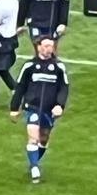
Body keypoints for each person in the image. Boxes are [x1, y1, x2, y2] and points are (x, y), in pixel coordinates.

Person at [9, 36, 69, 184]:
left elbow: (64, 88)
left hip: (50, 110)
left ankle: (34, 160)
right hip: (32, 107)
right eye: (46, 46)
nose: (49, 49)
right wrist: (14, 108)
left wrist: (59, 105)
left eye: (51, 46)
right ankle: (35, 167)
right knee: (33, 137)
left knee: (44, 138)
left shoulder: (58, 67)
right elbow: (20, 87)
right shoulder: (29, 66)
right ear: (39, 47)